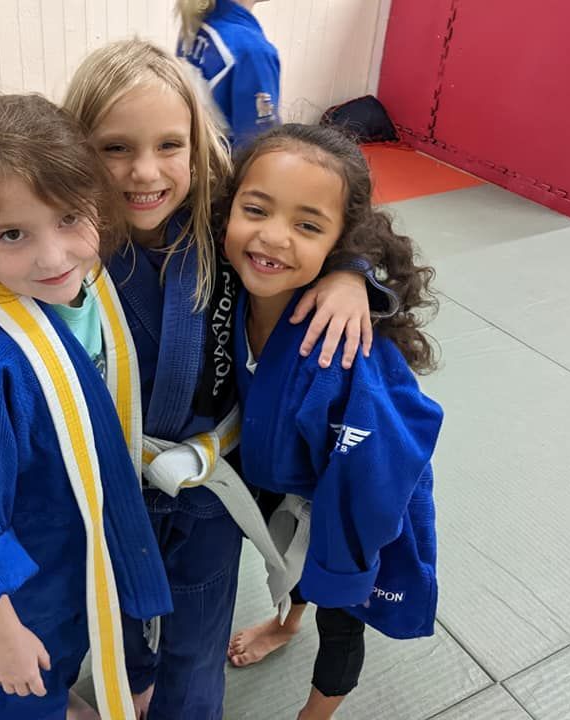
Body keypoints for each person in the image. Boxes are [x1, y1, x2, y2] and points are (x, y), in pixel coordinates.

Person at [0, 40, 391, 719]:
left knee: (194, 644)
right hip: (104, 495)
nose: (145, 172)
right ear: (72, 159)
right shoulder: (71, 249)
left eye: (169, 146)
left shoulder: (225, 227)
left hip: (204, 496)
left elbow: (304, 224)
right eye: (114, 149)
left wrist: (350, 275)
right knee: (113, 629)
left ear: (198, 147)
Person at [0, 93, 172, 720]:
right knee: (21, 691)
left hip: (100, 543)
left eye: (70, 218)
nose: (52, 256)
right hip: (24, 585)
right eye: (13, 233)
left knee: (104, 654)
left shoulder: (98, 289)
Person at [222, 123, 443, 720]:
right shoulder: (232, 291)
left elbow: (379, 468)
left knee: (342, 616)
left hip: (359, 498)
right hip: (288, 473)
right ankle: (285, 622)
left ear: (342, 242)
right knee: (291, 566)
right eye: (256, 209)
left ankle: (315, 714)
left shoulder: (342, 349)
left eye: (308, 226)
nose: (273, 237)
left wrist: (344, 564)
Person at [176, 0, 279, 147]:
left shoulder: (194, 28)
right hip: (222, 165)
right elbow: (259, 150)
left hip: (196, 158)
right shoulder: (252, 50)